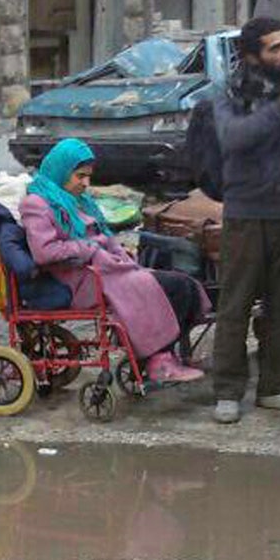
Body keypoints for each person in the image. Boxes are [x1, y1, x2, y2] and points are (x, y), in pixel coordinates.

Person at [209, 17, 280, 424]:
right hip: (245, 213)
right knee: (235, 304)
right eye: (275, 47)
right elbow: (233, 138)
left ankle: (277, 387)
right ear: (251, 54)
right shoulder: (228, 91)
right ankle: (227, 391)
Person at [20, 138, 204, 384]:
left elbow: (103, 234)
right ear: (62, 170)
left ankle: (162, 356)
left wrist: (118, 250)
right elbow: (44, 252)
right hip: (81, 279)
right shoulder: (37, 204)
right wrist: (89, 249)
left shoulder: (79, 201)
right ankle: (158, 360)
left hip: (106, 269)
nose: (85, 184)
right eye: (80, 176)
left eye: (88, 177)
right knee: (172, 288)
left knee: (185, 285)